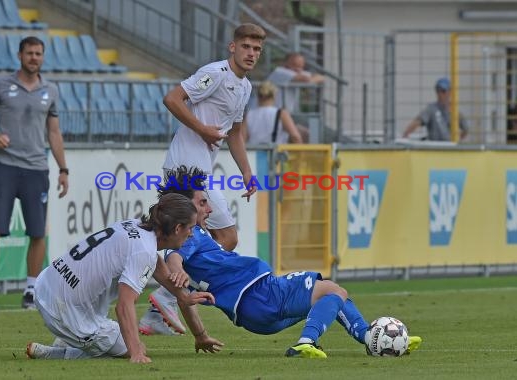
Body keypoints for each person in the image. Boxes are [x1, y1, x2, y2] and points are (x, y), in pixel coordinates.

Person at [140, 166, 423, 358]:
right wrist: (175, 271)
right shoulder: (188, 237)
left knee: (331, 293)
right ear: (185, 207)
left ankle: (370, 338)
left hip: (256, 310)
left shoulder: (193, 235)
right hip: (260, 295)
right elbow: (175, 258)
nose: (210, 207)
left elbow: (182, 296)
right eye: (202, 203)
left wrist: (200, 335)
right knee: (333, 292)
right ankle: (306, 343)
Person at [154, 23, 266, 333]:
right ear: (233, 47)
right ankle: (166, 294)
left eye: (257, 49)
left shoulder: (245, 87)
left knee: (223, 239)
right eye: (246, 47)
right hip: (184, 171)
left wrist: (246, 171)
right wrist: (202, 129)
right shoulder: (214, 73)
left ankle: (163, 300)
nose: (251, 54)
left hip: (200, 171)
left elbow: (235, 133)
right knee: (224, 237)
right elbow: (172, 98)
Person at [25, 193, 223, 363]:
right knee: (134, 347)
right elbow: (123, 306)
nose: (191, 234)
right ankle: (60, 351)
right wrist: (135, 353)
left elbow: (154, 260)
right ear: (178, 228)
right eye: (190, 228)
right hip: (63, 310)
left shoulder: (136, 225)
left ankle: (72, 337)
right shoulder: (143, 251)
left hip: (46, 284)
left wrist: (183, 295)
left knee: (122, 337)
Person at [0, 36, 69, 311]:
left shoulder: (50, 90)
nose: (34, 57)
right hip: (4, 166)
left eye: (38, 53)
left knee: (38, 232)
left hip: (36, 168)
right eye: (29, 53)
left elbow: (53, 132)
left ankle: (31, 290)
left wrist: (63, 169)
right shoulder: (1, 85)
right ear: (20, 55)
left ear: (43, 57)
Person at [403, 77, 469, 141]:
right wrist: (406, 134)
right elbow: (417, 122)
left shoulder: (455, 111)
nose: (440, 94)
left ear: (450, 92)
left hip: (449, 148)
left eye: (443, 91)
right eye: (438, 91)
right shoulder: (431, 109)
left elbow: (466, 129)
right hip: (435, 148)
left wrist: (457, 141)